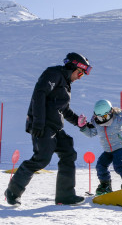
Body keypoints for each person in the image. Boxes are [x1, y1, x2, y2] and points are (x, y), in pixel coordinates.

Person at [4, 52, 92, 206]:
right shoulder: (53, 74)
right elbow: (39, 94)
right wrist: (37, 122)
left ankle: (65, 196)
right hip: (43, 125)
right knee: (42, 159)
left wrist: (80, 123)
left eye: (82, 75)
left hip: (55, 127)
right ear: (72, 67)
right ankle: (13, 191)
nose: (79, 77)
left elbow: (64, 110)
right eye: (80, 73)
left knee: (68, 153)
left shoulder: (65, 84)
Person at [78, 99, 122, 195]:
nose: (103, 120)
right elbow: (91, 133)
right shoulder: (97, 124)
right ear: (95, 116)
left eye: (105, 116)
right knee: (100, 165)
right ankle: (105, 185)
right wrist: (83, 127)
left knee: (118, 165)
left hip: (119, 146)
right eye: (100, 118)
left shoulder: (117, 119)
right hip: (108, 150)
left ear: (111, 112)